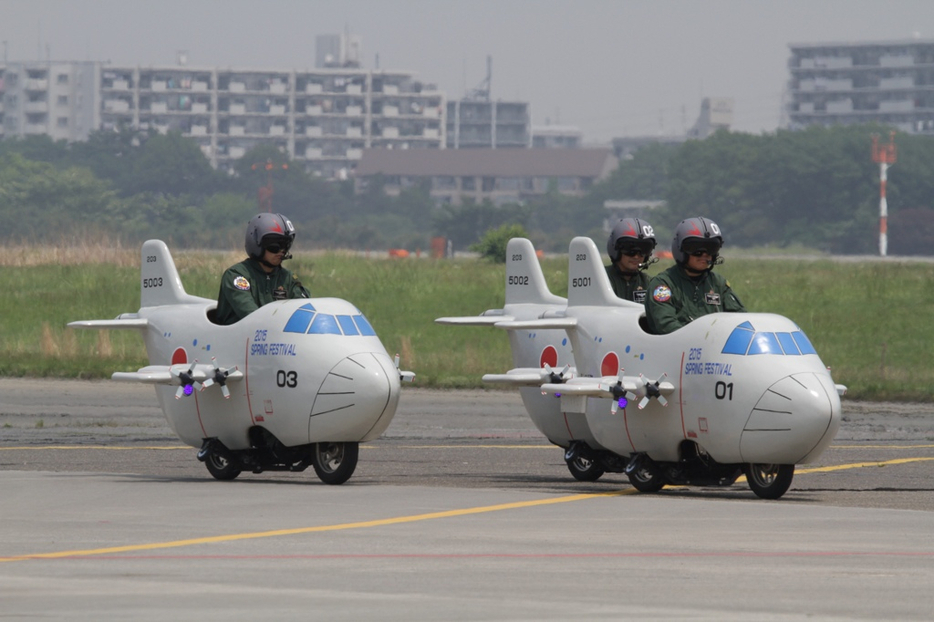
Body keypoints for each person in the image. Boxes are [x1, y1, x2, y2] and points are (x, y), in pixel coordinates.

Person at [645, 217, 745, 334]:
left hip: (713, 346)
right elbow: (666, 325)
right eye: (696, 248)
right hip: (678, 348)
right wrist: (699, 339)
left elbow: (740, 319)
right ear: (681, 249)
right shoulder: (664, 285)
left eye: (711, 248)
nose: (704, 255)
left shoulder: (718, 283)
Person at [215, 213, 310, 325]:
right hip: (238, 339)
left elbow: (303, 311)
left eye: (285, 245)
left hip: (275, 339)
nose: (281, 251)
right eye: (274, 246)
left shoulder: (288, 278)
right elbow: (252, 316)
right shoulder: (237, 276)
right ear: (257, 243)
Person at [605, 217, 656, 305]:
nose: (636, 256)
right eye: (629, 249)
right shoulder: (600, 279)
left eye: (644, 250)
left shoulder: (650, 284)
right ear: (616, 249)